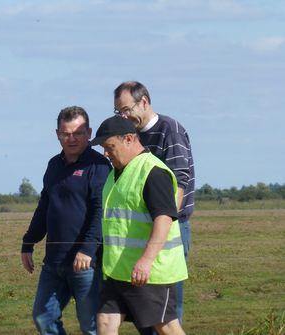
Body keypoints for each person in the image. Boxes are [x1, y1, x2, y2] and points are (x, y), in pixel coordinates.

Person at [90, 116, 188, 335]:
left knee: (167, 327)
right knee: (105, 322)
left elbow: (164, 219)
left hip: (150, 272)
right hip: (118, 270)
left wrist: (146, 260)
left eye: (110, 147)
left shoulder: (153, 172)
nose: (106, 153)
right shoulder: (115, 173)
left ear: (129, 139)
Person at [21, 106, 111, 335]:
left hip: (85, 264)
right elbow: (44, 207)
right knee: (43, 317)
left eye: (78, 133)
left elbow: (100, 211)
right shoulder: (53, 165)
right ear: (57, 134)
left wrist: (88, 250)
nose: (71, 139)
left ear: (89, 133)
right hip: (53, 262)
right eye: (66, 133)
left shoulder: (99, 166)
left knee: (91, 327)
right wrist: (28, 242)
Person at [113, 81, 195, 324]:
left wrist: (164, 225)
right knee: (146, 303)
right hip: (140, 229)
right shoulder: (132, 134)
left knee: (166, 307)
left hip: (169, 229)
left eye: (127, 110)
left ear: (145, 102)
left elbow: (179, 181)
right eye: (118, 112)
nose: (124, 116)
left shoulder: (170, 129)